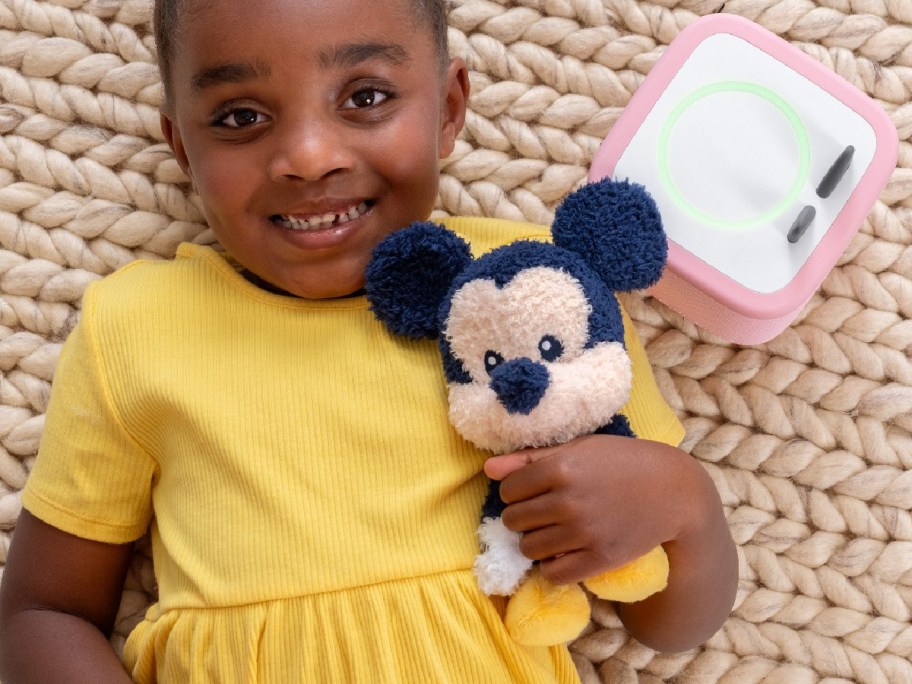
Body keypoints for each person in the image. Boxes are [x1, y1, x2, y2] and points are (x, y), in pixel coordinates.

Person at [0, 0, 738, 681]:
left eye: (366, 98)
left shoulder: (540, 295)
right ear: (182, 147)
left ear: (449, 110)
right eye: (239, 116)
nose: (309, 155)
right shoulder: (133, 331)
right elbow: (42, 612)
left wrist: (685, 504)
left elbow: (667, 623)